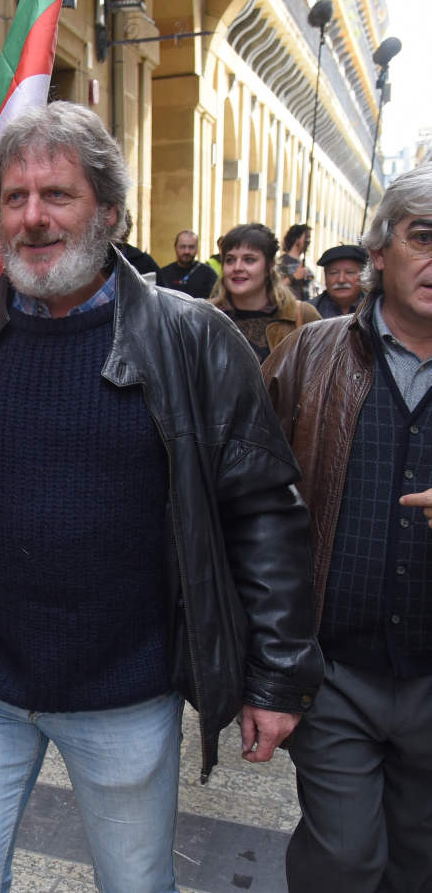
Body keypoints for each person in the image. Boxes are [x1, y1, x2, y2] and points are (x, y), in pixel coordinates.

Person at [0, 102, 321, 893]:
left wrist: (275, 678)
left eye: (57, 195)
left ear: (109, 213)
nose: (31, 218)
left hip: (124, 687)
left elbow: (262, 515)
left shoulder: (193, 340)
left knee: (135, 884)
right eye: (14, 198)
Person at [263, 162, 432, 893]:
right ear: (379, 251)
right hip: (333, 674)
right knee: (341, 861)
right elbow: (249, 505)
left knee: (420, 860)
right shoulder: (308, 353)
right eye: (423, 236)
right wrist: (264, 662)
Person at [209, 223, 321, 361]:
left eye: (249, 260)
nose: (237, 267)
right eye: (230, 260)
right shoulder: (203, 316)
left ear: (269, 266)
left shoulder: (302, 315)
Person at [155, 229, 218, 298]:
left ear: (197, 249)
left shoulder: (209, 274)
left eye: (191, 247)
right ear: (175, 247)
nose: (187, 251)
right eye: (182, 247)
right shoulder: (163, 274)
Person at [311, 243, 369, 318]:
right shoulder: (309, 311)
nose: (341, 280)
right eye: (334, 273)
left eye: (349, 272)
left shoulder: (375, 309)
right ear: (325, 276)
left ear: (362, 275)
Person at [279, 223, 314, 299]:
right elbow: (275, 290)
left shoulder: (307, 263)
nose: (309, 241)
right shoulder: (281, 262)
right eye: (306, 237)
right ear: (296, 239)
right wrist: (294, 277)